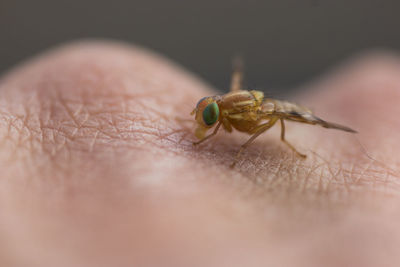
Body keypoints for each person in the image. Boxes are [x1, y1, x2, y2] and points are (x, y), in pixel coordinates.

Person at [0, 41, 399, 266]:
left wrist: (246, 148)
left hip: (266, 115)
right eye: (207, 110)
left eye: (207, 114)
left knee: (283, 119)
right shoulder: (220, 107)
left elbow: (269, 112)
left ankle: (289, 144)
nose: (205, 115)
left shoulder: (240, 114)